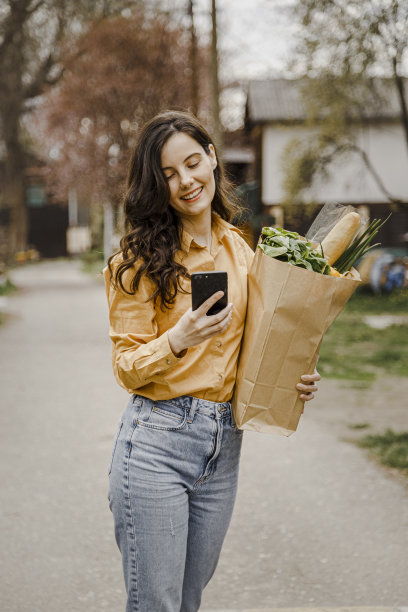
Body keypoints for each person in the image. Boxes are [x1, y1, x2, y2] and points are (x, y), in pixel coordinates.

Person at [103, 110, 320, 612]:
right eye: (169, 174)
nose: (185, 181)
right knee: (156, 605)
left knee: (188, 602)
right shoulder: (136, 262)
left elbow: (259, 343)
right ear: (156, 185)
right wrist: (176, 338)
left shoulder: (240, 252)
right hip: (157, 444)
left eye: (193, 163)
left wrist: (295, 377)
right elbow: (126, 366)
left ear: (213, 158)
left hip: (224, 450)